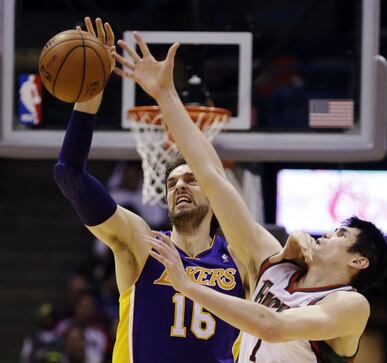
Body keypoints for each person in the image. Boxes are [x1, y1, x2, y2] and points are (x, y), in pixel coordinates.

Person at [111, 32, 387, 362]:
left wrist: (188, 286)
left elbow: (271, 326)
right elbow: (213, 178)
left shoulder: (349, 305)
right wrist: (166, 95)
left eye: (341, 234)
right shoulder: (272, 265)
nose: (328, 233)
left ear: (358, 261)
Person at [53, 17, 246, 363]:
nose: (179, 186)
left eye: (191, 179)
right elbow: (70, 175)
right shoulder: (143, 245)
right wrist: (91, 92)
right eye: (172, 183)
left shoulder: (241, 261)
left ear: (216, 197)